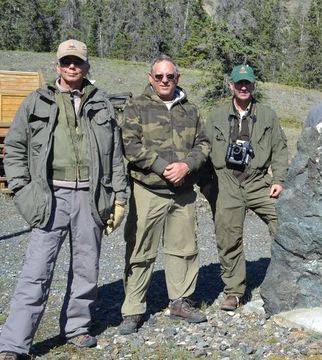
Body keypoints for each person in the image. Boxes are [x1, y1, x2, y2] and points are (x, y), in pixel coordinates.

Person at [0, 39, 129, 357]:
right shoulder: (36, 101)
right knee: (36, 270)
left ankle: (76, 328)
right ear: (57, 65)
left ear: (87, 66)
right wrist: (21, 189)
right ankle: (15, 344)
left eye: (78, 62)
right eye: (66, 61)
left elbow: (115, 155)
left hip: (90, 196)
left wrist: (119, 197)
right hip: (49, 197)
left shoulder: (101, 103)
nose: (72, 66)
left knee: (87, 267)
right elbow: (14, 148)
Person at [118, 55, 210, 335]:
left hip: (183, 192)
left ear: (177, 78)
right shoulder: (136, 106)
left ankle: (180, 302)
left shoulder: (191, 110)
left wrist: (187, 165)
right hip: (148, 189)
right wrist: (161, 167)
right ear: (150, 77)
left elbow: (204, 144)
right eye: (159, 76)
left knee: (184, 249)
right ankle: (133, 310)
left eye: (170, 76)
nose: (164, 81)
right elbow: (129, 144)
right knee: (140, 250)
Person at [203, 65, 288, 311]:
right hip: (226, 182)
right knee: (228, 237)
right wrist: (208, 187)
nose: (243, 87)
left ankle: (287, 276)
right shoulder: (217, 116)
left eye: (247, 83)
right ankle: (234, 291)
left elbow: (280, 150)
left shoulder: (267, 115)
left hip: (259, 181)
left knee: (284, 222)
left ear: (253, 86)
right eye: (238, 83)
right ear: (231, 85)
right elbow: (203, 151)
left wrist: (279, 180)